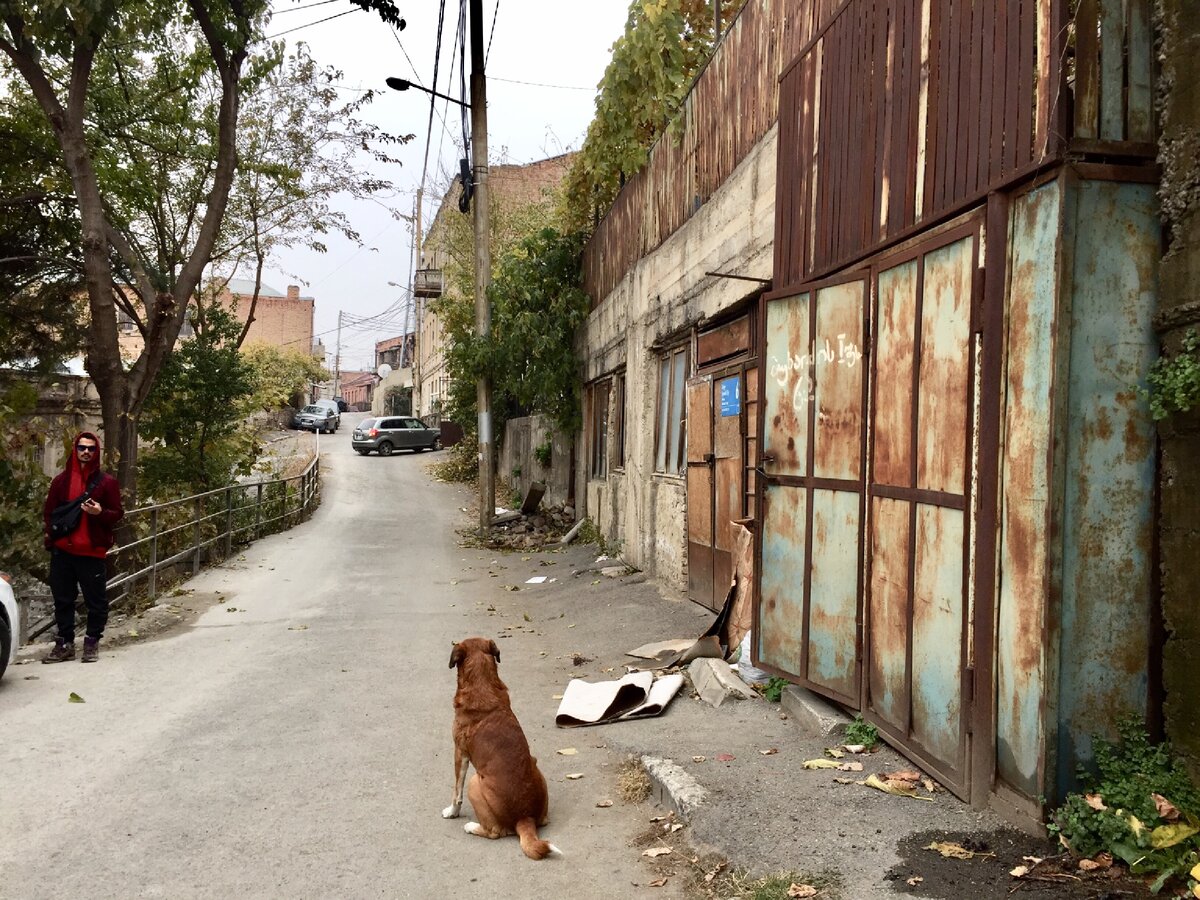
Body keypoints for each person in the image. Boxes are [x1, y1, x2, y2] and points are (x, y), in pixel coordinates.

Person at [41, 431, 124, 663]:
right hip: (63, 552)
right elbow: (50, 513)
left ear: (96, 452)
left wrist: (99, 513)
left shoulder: (107, 483)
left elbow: (117, 513)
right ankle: (65, 643)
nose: (86, 452)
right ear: (75, 450)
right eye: (81, 448)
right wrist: (53, 538)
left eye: (91, 448)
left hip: (91, 552)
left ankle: (91, 641)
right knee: (63, 599)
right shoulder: (60, 482)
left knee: (95, 600)